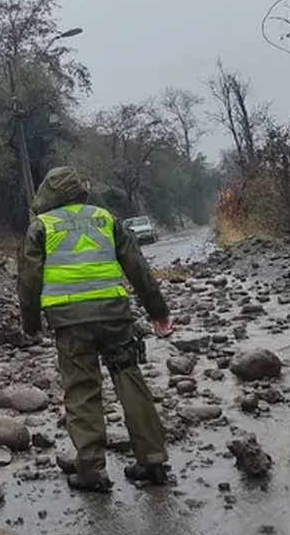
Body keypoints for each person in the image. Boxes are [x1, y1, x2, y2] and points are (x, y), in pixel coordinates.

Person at [17, 166, 173, 491]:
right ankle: (154, 460)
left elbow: (29, 280)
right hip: (116, 315)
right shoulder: (106, 218)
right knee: (130, 381)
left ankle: (92, 472)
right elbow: (138, 268)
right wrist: (158, 311)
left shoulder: (41, 226)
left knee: (81, 392)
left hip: (70, 322)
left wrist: (30, 324)